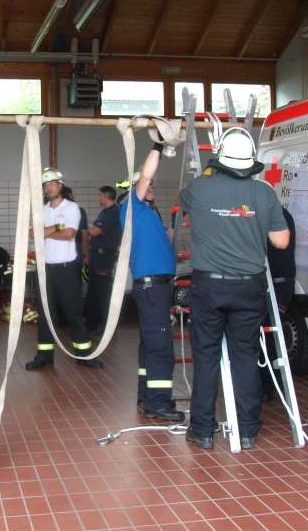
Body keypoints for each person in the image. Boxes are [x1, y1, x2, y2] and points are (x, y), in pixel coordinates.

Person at [180, 128, 289, 450]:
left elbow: (183, 206)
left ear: (220, 157)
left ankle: (201, 430)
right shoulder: (264, 193)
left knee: (206, 356)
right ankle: (247, 430)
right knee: (245, 356)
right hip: (249, 288)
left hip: (209, 286)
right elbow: (281, 241)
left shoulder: (199, 187)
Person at [121, 151, 184, 422]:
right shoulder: (131, 206)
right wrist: (158, 147)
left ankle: (146, 396)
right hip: (152, 288)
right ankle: (158, 403)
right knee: (160, 346)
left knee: (149, 344)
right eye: (145, 186)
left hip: (156, 286)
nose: (150, 188)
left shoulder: (147, 214)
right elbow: (146, 175)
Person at [25, 168, 103, 371]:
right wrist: (55, 228)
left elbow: (69, 234)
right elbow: (33, 233)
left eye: (51, 184)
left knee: (73, 313)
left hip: (66, 270)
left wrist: (47, 232)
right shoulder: (42, 210)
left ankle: (84, 355)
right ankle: (44, 356)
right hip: (46, 269)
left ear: (60, 186)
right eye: (45, 185)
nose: (48, 188)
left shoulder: (72, 208)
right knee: (45, 314)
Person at [262, 206, 296, 400]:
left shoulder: (270, 216)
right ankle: (273, 384)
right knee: (271, 335)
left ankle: (268, 385)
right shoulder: (284, 215)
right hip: (281, 283)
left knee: (267, 336)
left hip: (274, 284)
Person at [84, 186, 122, 337]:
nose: (98, 198)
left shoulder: (112, 212)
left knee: (102, 293)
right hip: (97, 257)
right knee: (93, 292)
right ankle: (91, 325)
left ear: (106, 197)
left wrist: (83, 225)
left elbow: (94, 231)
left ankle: (106, 327)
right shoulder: (106, 212)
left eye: (100, 195)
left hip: (104, 258)